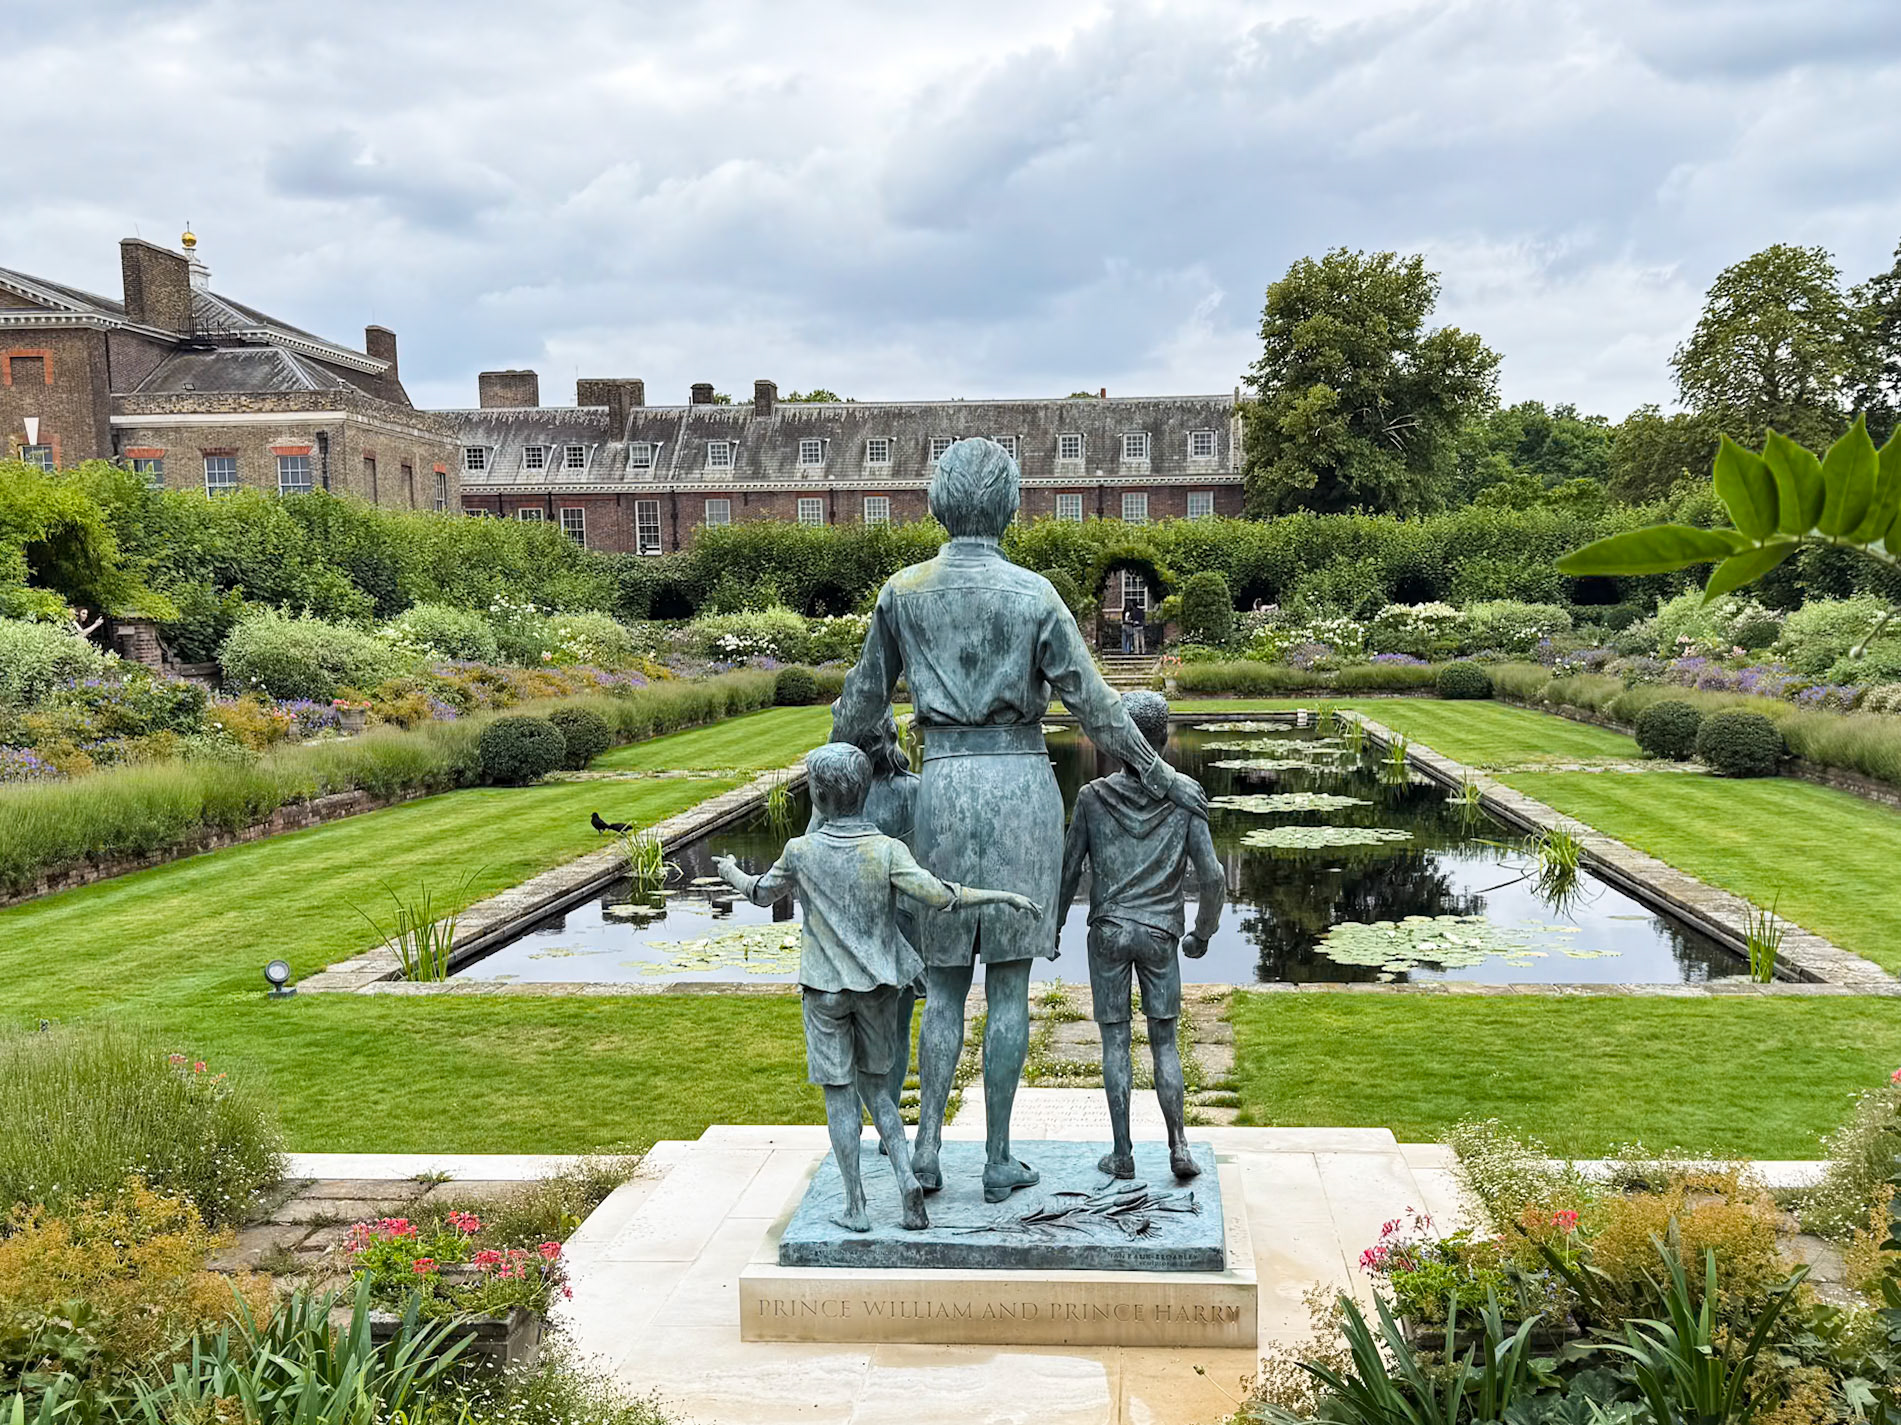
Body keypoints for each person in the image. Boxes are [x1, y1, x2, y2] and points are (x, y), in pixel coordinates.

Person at [831, 438, 1206, 1205]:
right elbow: (1097, 707)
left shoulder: (902, 591)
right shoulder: (1034, 594)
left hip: (940, 786)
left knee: (940, 989)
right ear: (1010, 506)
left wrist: (860, 769)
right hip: (1019, 792)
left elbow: (859, 707)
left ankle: (928, 1147)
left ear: (937, 503)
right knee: (1007, 988)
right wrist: (1161, 770)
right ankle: (997, 1157)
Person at [714, 743, 1036, 1233]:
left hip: (824, 993)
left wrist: (731, 871)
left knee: (840, 1095)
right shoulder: (887, 850)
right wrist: (1002, 895)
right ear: (864, 793)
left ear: (819, 797)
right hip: (879, 991)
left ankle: (856, 1206)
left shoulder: (800, 851)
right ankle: (906, 1176)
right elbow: (942, 895)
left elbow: (761, 894)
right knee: (879, 1092)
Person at [1058, 691, 1224, 1182]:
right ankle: (1178, 1145)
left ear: (1116, 738)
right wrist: (1202, 934)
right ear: (1163, 738)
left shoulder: (1092, 798)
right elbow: (1212, 878)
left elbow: (1069, 873)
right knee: (1165, 1043)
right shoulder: (1186, 798)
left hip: (1108, 931)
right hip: (1159, 934)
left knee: (1115, 1043)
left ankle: (1123, 1153)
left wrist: (1054, 928)